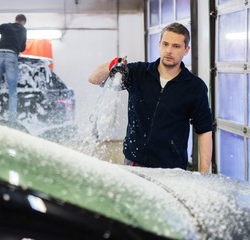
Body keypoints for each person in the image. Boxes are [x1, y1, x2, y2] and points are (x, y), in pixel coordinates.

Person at [88, 22, 213, 173]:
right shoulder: (138, 73)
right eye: (165, 44)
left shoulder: (194, 87)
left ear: (186, 50)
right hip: (134, 164)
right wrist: (112, 64)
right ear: (159, 44)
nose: (169, 50)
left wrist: (204, 173)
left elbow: (204, 130)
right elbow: (94, 79)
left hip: (172, 169)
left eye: (176, 46)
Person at [0, 14, 27, 125]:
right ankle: (12, 121)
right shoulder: (23, 29)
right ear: (23, 22)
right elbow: (23, 48)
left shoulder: (5, 26)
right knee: (12, 91)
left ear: (15, 20)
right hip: (11, 56)